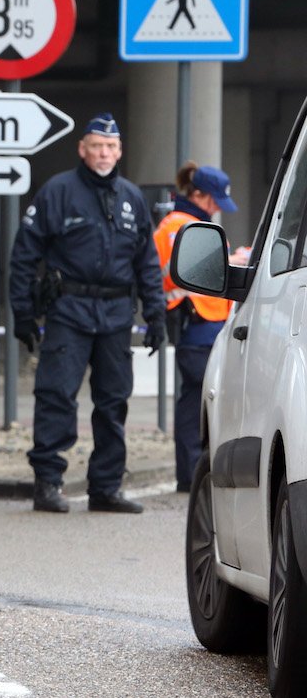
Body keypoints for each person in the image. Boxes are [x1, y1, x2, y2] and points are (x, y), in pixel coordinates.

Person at [9, 113, 165, 514]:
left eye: (111, 146)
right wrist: (23, 313)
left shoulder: (131, 197)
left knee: (113, 402)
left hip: (115, 314)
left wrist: (156, 313)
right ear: (82, 149)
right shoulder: (58, 192)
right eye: (96, 145)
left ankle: (106, 487)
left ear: (119, 151)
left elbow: (147, 262)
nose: (104, 153)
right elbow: (25, 257)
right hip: (69, 311)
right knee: (56, 397)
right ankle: (47, 483)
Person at [153, 163, 246, 492]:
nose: (218, 206)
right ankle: (191, 475)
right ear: (198, 194)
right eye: (215, 200)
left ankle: (194, 474)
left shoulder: (191, 223)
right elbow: (190, 271)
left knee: (197, 399)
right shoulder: (180, 226)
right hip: (196, 324)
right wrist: (234, 261)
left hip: (204, 323)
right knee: (196, 401)